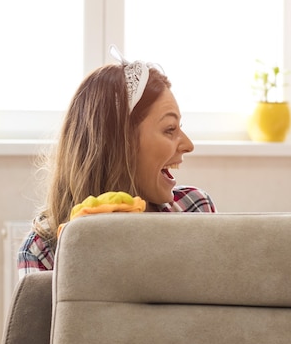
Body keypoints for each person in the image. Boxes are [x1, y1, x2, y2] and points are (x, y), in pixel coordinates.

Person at [17, 45, 216, 277]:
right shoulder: (42, 251)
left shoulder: (195, 209)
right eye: (169, 129)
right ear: (119, 142)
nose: (188, 145)